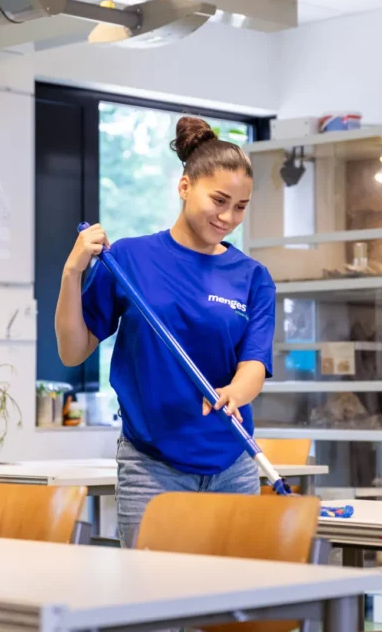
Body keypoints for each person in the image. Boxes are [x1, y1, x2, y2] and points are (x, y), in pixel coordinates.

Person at [54, 116, 276, 547]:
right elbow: (72, 350)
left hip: (233, 462)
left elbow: (255, 363)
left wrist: (236, 393)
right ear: (184, 186)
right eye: (220, 200)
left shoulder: (252, 276)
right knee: (153, 605)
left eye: (241, 206)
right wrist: (71, 272)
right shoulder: (130, 260)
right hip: (150, 467)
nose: (229, 217)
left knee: (230, 608)